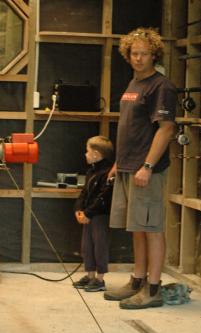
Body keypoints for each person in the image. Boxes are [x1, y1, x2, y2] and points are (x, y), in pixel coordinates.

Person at [104, 27, 177, 309]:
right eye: (134, 53)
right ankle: (137, 280)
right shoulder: (134, 84)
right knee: (137, 227)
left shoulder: (161, 86)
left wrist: (147, 165)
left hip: (147, 170)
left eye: (144, 53)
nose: (138, 58)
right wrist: (117, 163)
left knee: (152, 227)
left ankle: (153, 289)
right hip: (127, 166)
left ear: (154, 54)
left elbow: (166, 129)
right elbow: (130, 129)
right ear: (128, 54)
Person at [73, 135, 114, 292]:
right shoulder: (91, 172)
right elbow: (84, 193)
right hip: (88, 216)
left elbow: (104, 195)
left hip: (99, 216)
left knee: (99, 245)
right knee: (87, 246)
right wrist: (79, 209)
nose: (85, 154)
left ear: (96, 154)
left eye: (87, 151)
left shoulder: (107, 173)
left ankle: (100, 279)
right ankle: (90, 275)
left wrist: (89, 213)